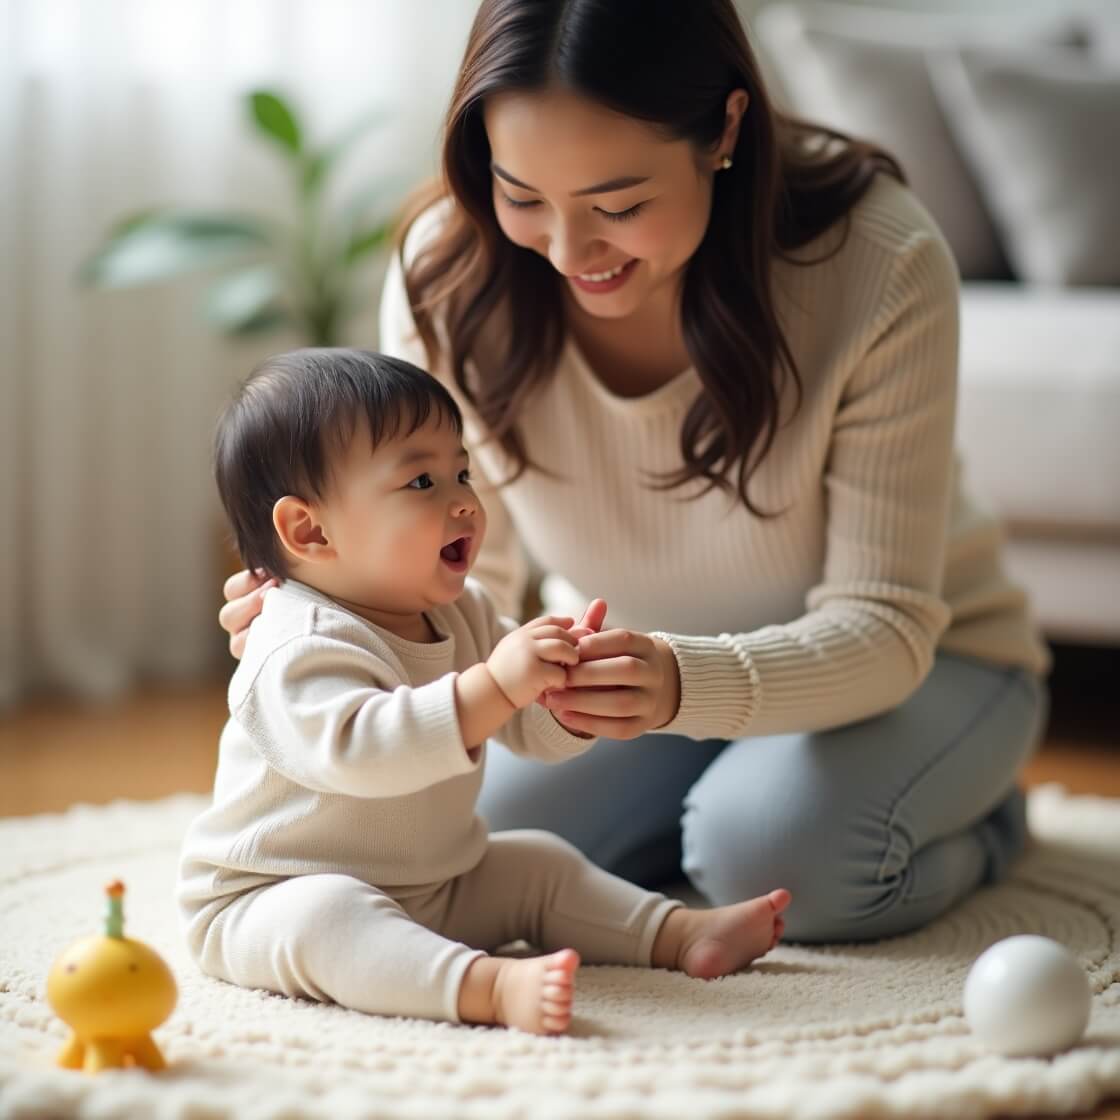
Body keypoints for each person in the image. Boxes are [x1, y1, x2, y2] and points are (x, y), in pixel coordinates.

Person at [220, 0, 1050, 944]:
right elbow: (458, 583)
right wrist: (335, 605)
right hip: (638, 675)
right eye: (522, 195)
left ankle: (984, 827)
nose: (571, 254)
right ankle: (716, 809)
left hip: (922, 663)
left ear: (724, 127)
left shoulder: (878, 260)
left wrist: (684, 685)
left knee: (779, 859)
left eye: (619, 206)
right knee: (446, 845)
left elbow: (886, 623)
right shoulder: (447, 276)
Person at [180, 348, 790, 1035]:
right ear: (310, 530)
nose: (465, 499)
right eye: (422, 482)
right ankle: (488, 988)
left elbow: (523, 729)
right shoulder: (294, 641)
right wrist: (497, 682)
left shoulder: (461, 611)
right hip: (273, 896)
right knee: (332, 919)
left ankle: (680, 934)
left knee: (537, 862)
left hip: (433, 883)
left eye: (461, 471)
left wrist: (564, 694)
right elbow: (364, 751)